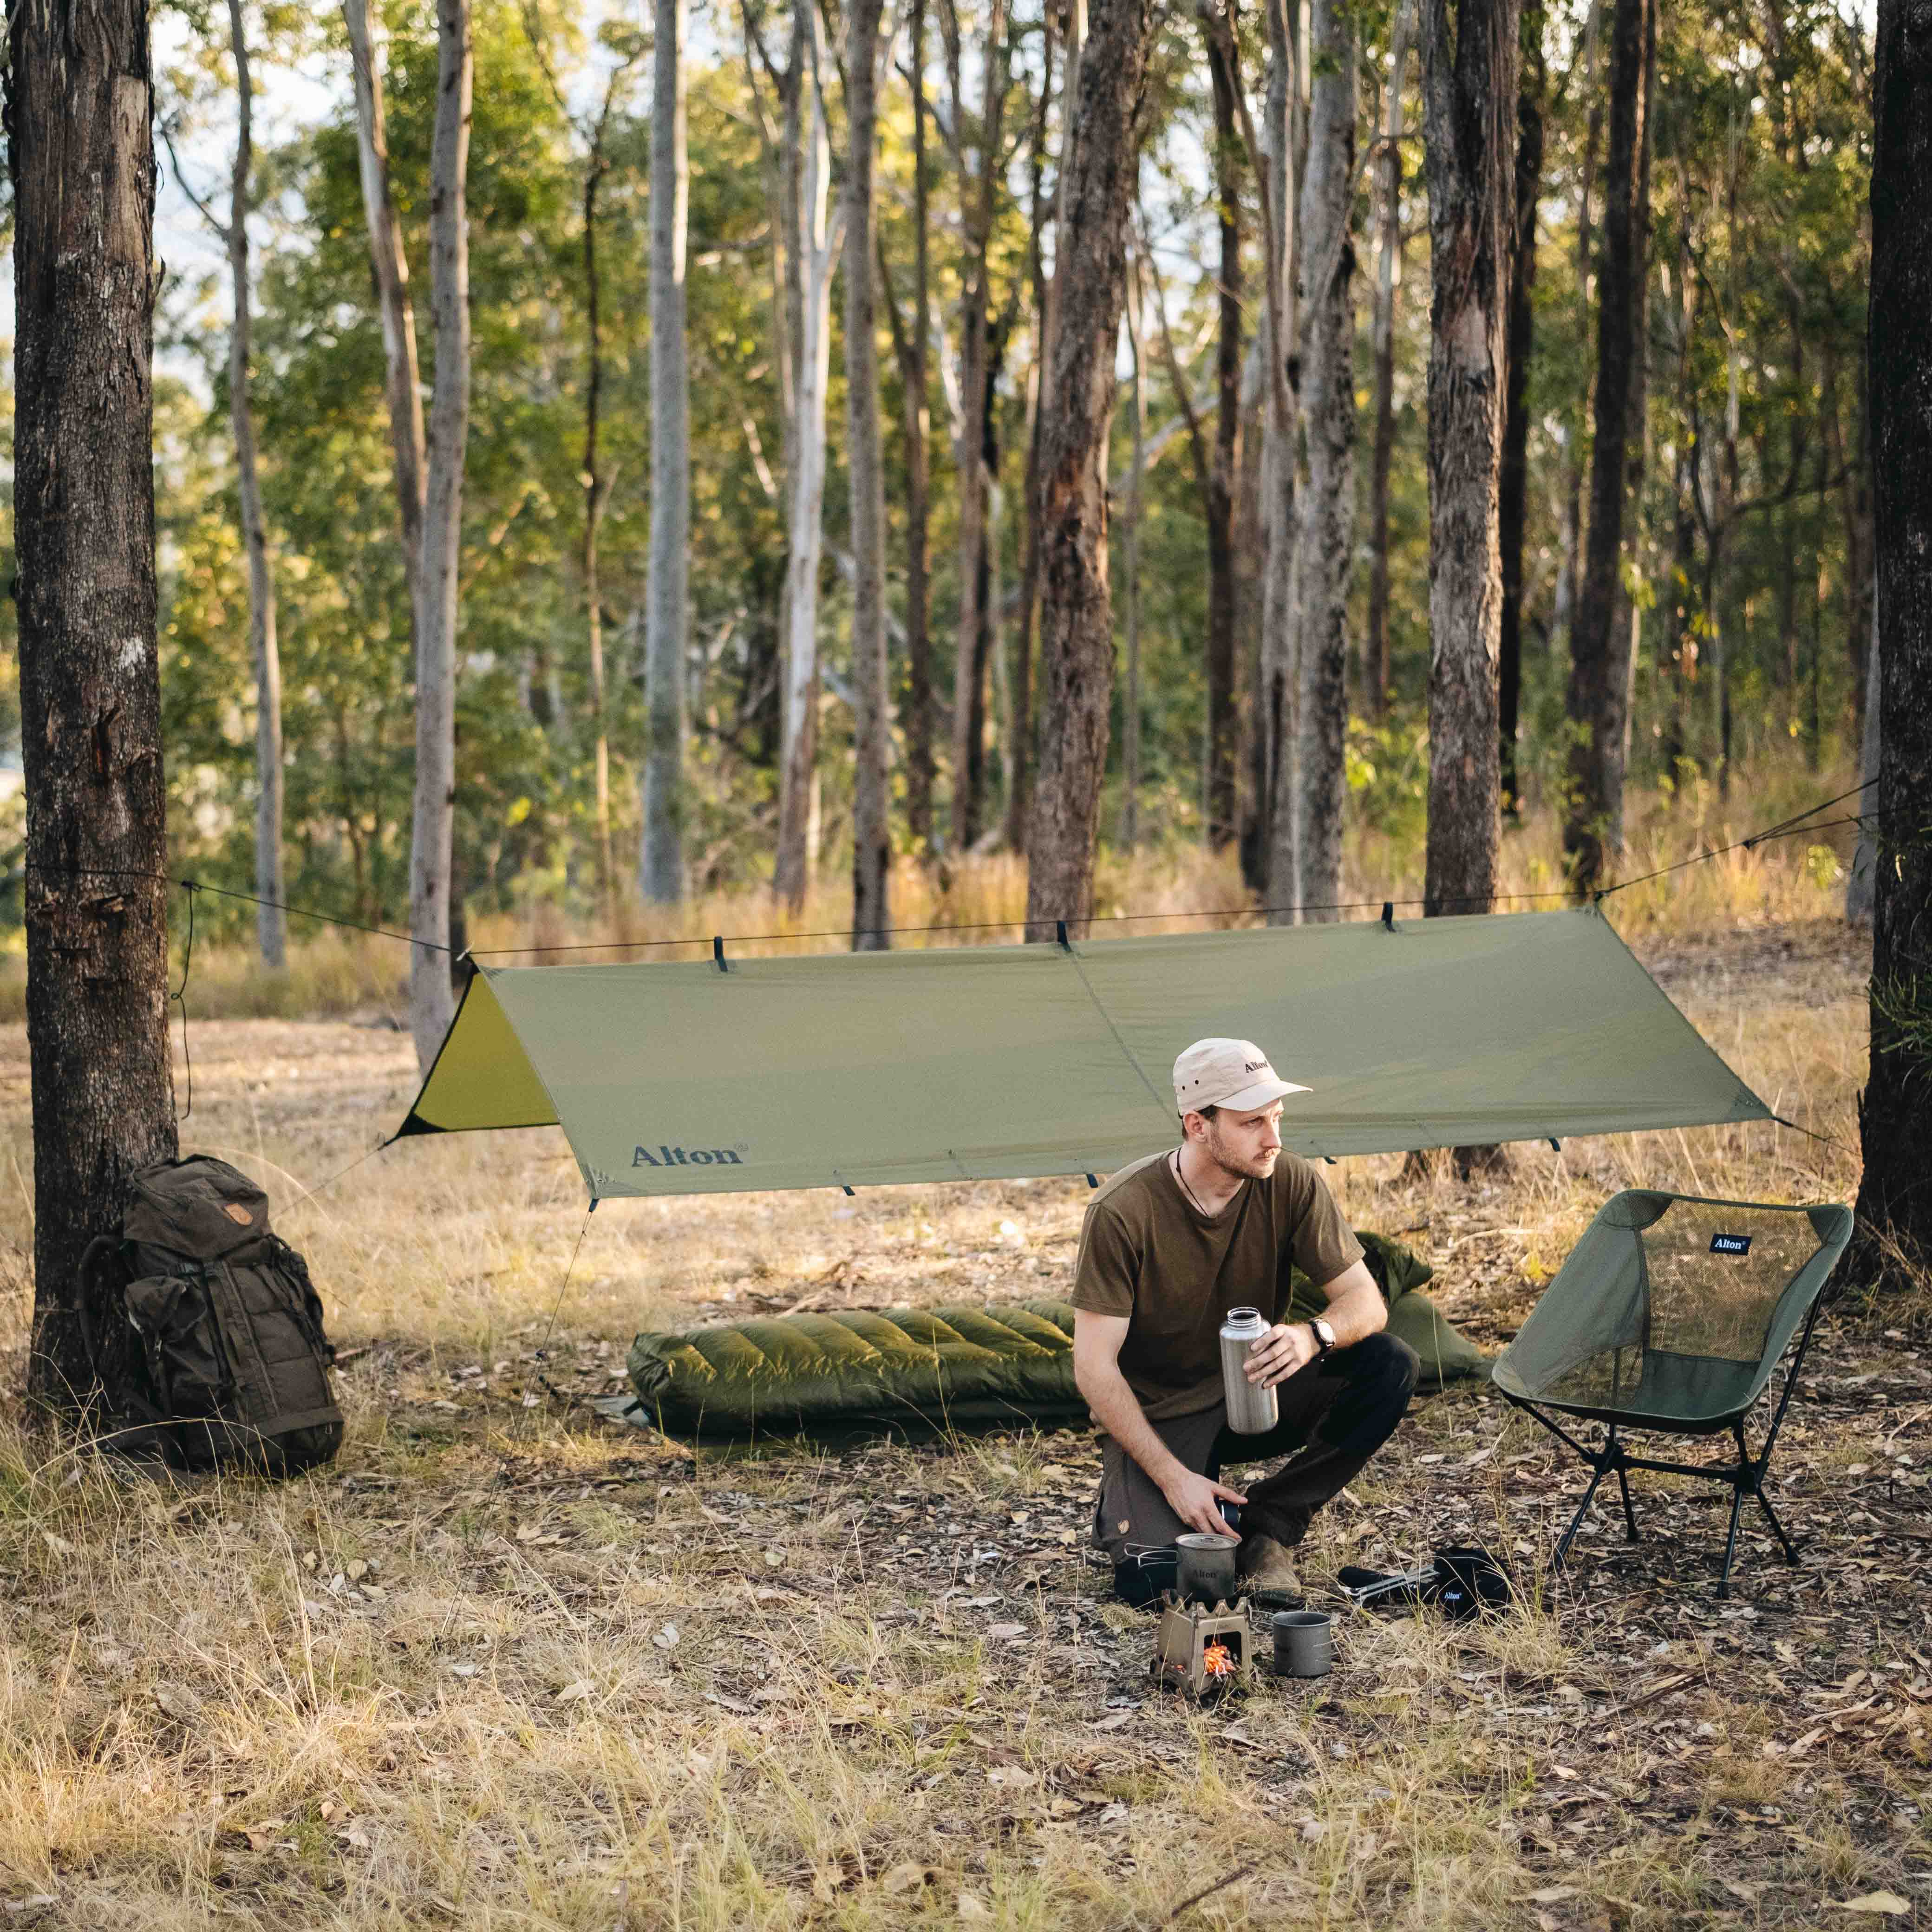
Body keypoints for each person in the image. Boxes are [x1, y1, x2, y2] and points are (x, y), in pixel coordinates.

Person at [1070, 1037, 1419, 1604]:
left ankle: (1269, 1524)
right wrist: (1172, 1479)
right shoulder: (1121, 1211)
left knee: (1389, 1364)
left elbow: (1366, 1301)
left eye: (1276, 1117)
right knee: (1163, 1584)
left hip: (1255, 1392)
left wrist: (1313, 1336)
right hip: (1161, 1416)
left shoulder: (1291, 1180)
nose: (1273, 1137)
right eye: (1251, 1121)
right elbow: (1092, 1367)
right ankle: (1142, 1502)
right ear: (1197, 1125)